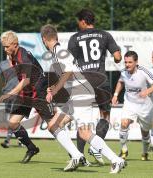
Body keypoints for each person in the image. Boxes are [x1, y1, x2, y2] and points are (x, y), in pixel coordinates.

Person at [41, 24, 125, 174]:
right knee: (58, 126)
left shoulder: (59, 52)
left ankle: (112, 159)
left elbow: (69, 72)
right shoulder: (58, 52)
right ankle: (78, 156)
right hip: (79, 94)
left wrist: (55, 89)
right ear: (56, 37)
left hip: (81, 94)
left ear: (43, 40)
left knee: (75, 131)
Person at [0, 30, 87, 170]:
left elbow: (26, 80)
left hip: (39, 93)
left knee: (54, 125)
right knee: (13, 123)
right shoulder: (13, 56)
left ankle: (75, 155)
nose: (5, 49)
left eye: (6, 46)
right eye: (3, 46)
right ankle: (32, 148)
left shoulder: (23, 57)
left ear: (15, 44)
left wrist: (11, 93)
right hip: (27, 94)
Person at [67, 8, 122, 164]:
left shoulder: (75, 38)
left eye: (78, 22)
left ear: (83, 21)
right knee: (105, 116)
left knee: (82, 122)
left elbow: (68, 62)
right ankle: (96, 146)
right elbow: (117, 57)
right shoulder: (104, 35)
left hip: (83, 82)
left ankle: (78, 154)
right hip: (101, 80)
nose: (78, 25)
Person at [112, 51, 153, 161]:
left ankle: (145, 153)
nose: (127, 64)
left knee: (145, 131)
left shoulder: (143, 71)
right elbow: (120, 82)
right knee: (124, 123)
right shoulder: (124, 72)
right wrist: (116, 95)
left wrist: (147, 91)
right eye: (125, 62)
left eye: (130, 62)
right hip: (129, 103)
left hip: (145, 106)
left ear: (136, 62)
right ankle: (124, 150)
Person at [0, 56, 37, 159]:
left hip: (21, 94)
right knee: (11, 119)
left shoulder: (21, 62)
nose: (8, 52)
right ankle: (19, 140)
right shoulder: (3, 64)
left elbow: (29, 77)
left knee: (14, 120)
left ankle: (8, 139)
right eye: (5, 49)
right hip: (7, 93)